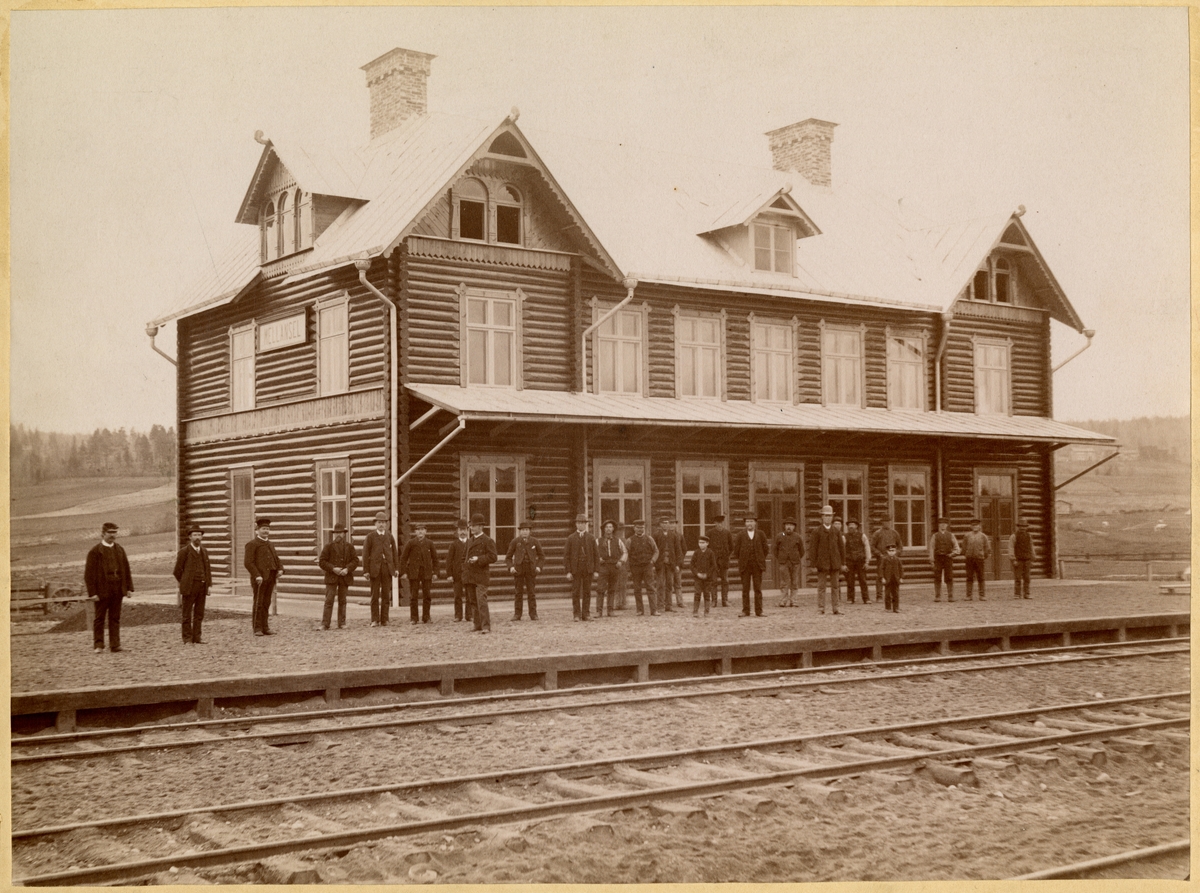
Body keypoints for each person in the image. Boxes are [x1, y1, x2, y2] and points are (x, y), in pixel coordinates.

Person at [84, 521, 134, 652]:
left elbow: (126, 569)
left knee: (115, 617)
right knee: (99, 618)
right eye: (110, 533)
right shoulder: (95, 552)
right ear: (103, 534)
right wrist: (92, 593)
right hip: (102, 590)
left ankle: (115, 645)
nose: (113, 535)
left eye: (115, 532)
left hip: (117, 589)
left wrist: (128, 588)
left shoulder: (120, 550)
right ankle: (99, 645)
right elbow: (89, 575)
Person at [172, 525, 211, 644]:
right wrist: (185, 582)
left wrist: (208, 585)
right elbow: (177, 571)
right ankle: (187, 638)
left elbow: (207, 570)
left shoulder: (204, 551)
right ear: (190, 537)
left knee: (199, 614)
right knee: (187, 614)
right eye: (195, 535)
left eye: (199, 535)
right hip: (189, 587)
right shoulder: (184, 552)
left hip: (202, 587)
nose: (197, 537)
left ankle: (197, 637)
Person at [244, 517, 282, 637]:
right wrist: (257, 575)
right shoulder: (252, 544)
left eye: (267, 529)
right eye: (263, 529)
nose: (266, 531)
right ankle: (257, 628)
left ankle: (265, 627)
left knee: (266, 602)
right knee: (258, 603)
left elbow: (276, 558)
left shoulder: (270, 544)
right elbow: (248, 563)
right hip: (259, 579)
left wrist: (280, 568)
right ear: (257, 530)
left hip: (271, 577)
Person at [318, 523, 359, 630]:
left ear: (344, 534)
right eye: (336, 533)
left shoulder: (350, 547)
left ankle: (342, 623)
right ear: (334, 534)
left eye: (340, 533)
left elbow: (355, 560)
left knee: (342, 601)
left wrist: (347, 569)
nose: (338, 535)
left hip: (344, 577)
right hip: (331, 577)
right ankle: (325, 624)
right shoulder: (328, 547)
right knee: (329, 601)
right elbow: (322, 561)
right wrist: (333, 569)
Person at [363, 511, 398, 627]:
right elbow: (365, 554)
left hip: (387, 569)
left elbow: (394, 553)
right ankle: (374, 619)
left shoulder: (390, 536)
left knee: (386, 595)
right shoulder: (370, 537)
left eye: (383, 522)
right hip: (374, 569)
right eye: (379, 522)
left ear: (386, 524)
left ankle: (385, 619)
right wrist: (366, 571)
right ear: (375, 524)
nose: (381, 524)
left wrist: (396, 568)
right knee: (374, 595)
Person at [464, 513, 498, 633]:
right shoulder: (469, 541)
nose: (471, 528)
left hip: (481, 576)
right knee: (473, 601)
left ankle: (486, 626)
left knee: (481, 601)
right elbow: (464, 557)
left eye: (474, 526)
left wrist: (478, 559)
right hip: (470, 575)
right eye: (471, 526)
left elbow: (493, 557)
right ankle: (477, 625)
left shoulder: (488, 541)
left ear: (480, 527)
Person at [399, 522, 438, 624]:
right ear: (415, 532)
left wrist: (435, 573)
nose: (420, 531)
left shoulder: (429, 543)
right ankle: (414, 618)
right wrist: (404, 572)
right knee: (413, 596)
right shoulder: (411, 543)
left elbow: (435, 559)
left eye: (422, 529)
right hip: (414, 573)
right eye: (418, 530)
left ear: (425, 531)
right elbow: (403, 559)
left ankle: (426, 617)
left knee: (427, 596)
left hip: (426, 573)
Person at [808, 505, 844, 615]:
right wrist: (813, 564)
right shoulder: (817, 531)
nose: (828, 518)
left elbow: (841, 548)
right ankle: (821, 608)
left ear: (832, 517)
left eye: (830, 516)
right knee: (821, 587)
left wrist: (842, 563)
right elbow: (813, 549)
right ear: (822, 517)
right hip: (822, 564)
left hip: (835, 563)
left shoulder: (836, 531)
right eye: (826, 516)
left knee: (835, 586)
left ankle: (836, 608)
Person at [506, 521, 545, 620]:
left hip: (531, 569)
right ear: (520, 531)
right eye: (523, 530)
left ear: (530, 531)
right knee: (518, 593)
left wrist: (538, 567)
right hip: (518, 570)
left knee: (531, 592)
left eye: (526, 530)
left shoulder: (535, 541)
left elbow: (542, 556)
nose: (524, 532)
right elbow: (508, 557)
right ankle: (517, 614)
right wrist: (511, 567)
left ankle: (533, 614)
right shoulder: (515, 542)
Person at [564, 513, 600, 621]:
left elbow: (596, 555)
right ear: (576, 524)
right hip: (575, 569)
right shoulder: (571, 538)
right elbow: (566, 556)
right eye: (579, 523)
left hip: (588, 569)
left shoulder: (591, 538)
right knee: (575, 592)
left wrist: (596, 570)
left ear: (586, 524)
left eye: (583, 523)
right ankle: (576, 614)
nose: (581, 525)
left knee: (587, 591)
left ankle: (586, 614)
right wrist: (568, 571)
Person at [734, 514, 769, 617]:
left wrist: (759, 558)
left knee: (757, 588)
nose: (749, 523)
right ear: (745, 523)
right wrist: (744, 559)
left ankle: (759, 611)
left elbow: (765, 549)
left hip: (757, 565)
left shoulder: (761, 534)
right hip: (745, 566)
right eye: (747, 521)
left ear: (755, 523)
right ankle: (745, 611)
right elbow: (736, 551)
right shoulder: (740, 535)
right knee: (745, 589)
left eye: (751, 521)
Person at [626, 519, 659, 616]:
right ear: (634, 528)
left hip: (647, 566)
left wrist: (652, 561)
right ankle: (640, 610)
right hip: (635, 567)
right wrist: (628, 568)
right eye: (638, 527)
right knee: (637, 589)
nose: (640, 529)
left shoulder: (649, 539)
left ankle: (654, 610)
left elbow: (656, 551)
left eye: (642, 527)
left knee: (651, 588)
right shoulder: (629, 540)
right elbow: (626, 554)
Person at [595, 520, 628, 618]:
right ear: (603, 529)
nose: (608, 529)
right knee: (600, 589)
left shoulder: (618, 541)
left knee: (612, 589)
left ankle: (610, 610)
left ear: (613, 529)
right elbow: (593, 553)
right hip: (603, 567)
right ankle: (599, 611)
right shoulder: (598, 541)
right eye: (606, 527)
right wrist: (598, 559)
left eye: (610, 527)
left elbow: (625, 552)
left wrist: (621, 561)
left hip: (614, 567)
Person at [653, 518, 683, 613]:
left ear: (669, 524)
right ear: (660, 524)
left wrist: (677, 564)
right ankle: (660, 605)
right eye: (663, 523)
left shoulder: (674, 536)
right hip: (660, 563)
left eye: (667, 523)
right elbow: (653, 550)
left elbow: (678, 551)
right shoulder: (656, 535)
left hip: (671, 564)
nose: (665, 525)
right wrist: (653, 563)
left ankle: (669, 606)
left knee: (669, 584)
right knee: (660, 584)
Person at [871, 517, 903, 603]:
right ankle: (879, 596)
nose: (887, 523)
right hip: (881, 559)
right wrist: (879, 554)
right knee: (880, 576)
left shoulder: (894, 533)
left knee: (893, 576)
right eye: (885, 521)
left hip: (893, 559)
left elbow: (900, 546)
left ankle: (893, 595)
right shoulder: (877, 533)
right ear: (882, 523)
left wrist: (895, 554)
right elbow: (872, 546)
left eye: (888, 521)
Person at [929, 517, 961, 603]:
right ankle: (937, 596)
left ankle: (950, 596)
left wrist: (952, 554)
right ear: (939, 525)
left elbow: (957, 548)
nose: (943, 525)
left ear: (947, 525)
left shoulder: (951, 535)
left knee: (949, 577)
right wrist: (932, 560)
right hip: (938, 559)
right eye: (941, 524)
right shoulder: (935, 536)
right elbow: (931, 548)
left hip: (948, 558)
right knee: (937, 577)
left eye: (944, 524)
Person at [773, 519, 804, 608]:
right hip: (783, 563)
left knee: (794, 582)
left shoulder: (798, 537)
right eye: (787, 525)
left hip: (795, 563)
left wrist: (795, 557)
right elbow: (775, 550)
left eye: (791, 525)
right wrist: (781, 558)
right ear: (784, 526)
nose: (789, 527)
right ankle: (783, 600)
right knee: (784, 582)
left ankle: (794, 601)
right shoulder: (779, 536)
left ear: (794, 527)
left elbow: (802, 551)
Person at [447, 519, 472, 622]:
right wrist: (449, 574)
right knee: (457, 595)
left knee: (469, 595)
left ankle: (469, 615)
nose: (462, 532)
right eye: (461, 530)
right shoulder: (454, 544)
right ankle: (458, 615)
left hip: (469, 574)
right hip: (457, 574)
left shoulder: (471, 543)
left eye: (464, 530)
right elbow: (449, 560)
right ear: (457, 531)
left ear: (467, 531)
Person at [962, 518, 992, 601]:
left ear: (979, 526)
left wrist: (982, 556)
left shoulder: (983, 536)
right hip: (969, 559)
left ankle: (982, 595)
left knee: (981, 577)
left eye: (977, 525)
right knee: (969, 577)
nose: (975, 527)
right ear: (971, 527)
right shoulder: (967, 536)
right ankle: (969, 595)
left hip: (979, 559)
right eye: (973, 525)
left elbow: (987, 549)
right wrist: (967, 555)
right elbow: (964, 548)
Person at [844, 520, 872, 604]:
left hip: (860, 561)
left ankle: (866, 598)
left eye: (853, 525)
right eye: (849, 525)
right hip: (849, 561)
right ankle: (850, 598)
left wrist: (867, 562)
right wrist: (843, 563)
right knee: (850, 580)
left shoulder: (862, 536)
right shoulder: (844, 537)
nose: (851, 526)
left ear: (856, 526)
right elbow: (842, 550)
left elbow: (867, 548)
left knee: (863, 580)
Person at [708, 514, 733, 607]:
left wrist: (727, 556)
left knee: (725, 580)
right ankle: (714, 601)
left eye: (721, 523)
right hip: (713, 561)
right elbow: (706, 547)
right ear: (715, 523)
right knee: (713, 581)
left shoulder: (727, 533)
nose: (719, 525)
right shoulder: (709, 533)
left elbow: (731, 547)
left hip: (724, 561)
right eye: (718, 523)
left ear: (723, 523)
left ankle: (725, 600)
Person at [689, 533, 717, 616]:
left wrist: (707, 574)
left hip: (707, 578)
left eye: (703, 543)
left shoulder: (710, 553)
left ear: (707, 543)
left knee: (707, 594)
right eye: (699, 543)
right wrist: (697, 573)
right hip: (698, 577)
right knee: (697, 594)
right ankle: (695, 611)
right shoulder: (696, 552)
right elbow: (692, 565)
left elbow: (713, 566)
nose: (701, 544)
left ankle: (706, 611)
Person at [1009, 520, 1035, 599]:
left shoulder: (1029, 536)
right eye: (1021, 526)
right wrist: (1013, 559)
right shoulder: (1014, 536)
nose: (1023, 528)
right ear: (1018, 527)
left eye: (1024, 526)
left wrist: (1033, 558)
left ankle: (1027, 594)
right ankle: (1017, 594)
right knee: (1018, 578)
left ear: (1026, 527)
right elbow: (1011, 548)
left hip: (1027, 559)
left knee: (1027, 578)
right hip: (1018, 560)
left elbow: (1031, 547)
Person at [880, 544, 904, 612]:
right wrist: (882, 577)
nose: (891, 552)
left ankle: (896, 608)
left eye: (893, 551)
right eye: (890, 551)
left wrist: (901, 577)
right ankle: (888, 607)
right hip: (888, 579)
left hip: (895, 579)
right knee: (887, 594)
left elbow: (901, 569)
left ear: (895, 551)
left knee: (895, 594)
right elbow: (881, 569)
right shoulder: (884, 559)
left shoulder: (897, 559)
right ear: (887, 551)